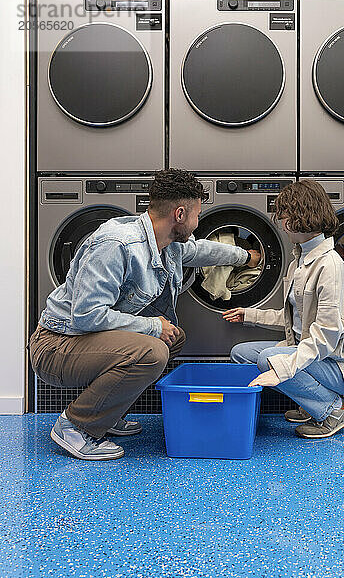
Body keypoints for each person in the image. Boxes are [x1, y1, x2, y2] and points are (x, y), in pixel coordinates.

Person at [30, 169, 260, 460]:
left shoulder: (169, 244)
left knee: (172, 338)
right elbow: (86, 316)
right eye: (197, 214)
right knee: (152, 350)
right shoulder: (117, 245)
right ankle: (75, 427)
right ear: (179, 214)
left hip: (86, 342)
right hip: (57, 346)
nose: (198, 222)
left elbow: (202, 251)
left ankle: (105, 415)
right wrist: (151, 326)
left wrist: (245, 256)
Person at [223, 179, 344, 439]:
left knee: (269, 358)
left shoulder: (328, 266)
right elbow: (295, 317)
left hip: (335, 364)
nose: (281, 222)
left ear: (301, 217)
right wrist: (250, 315)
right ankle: (310, 402)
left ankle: (334, 409)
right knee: (241, 353)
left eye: (284, 215)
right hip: (313, 354)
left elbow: (324, 338)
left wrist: (281, 369)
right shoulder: (300, 259)